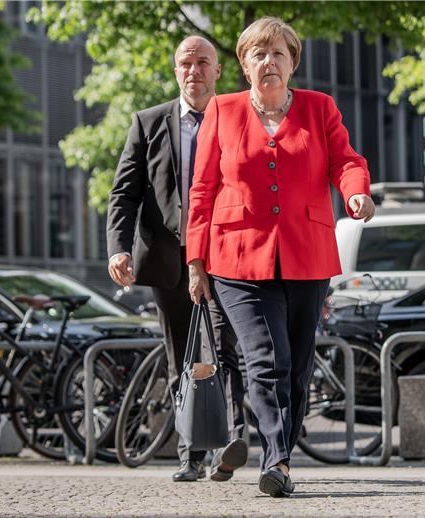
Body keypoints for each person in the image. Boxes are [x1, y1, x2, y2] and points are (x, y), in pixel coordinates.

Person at [186, 17, 374, 497]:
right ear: (244, 64)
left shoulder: (319, 108)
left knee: (298, 365)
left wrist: (356, 194)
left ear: (292, 62)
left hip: (306, 253)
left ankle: (280, 456)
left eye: (278, 54)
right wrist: (195, 261)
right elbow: (203, 188)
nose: (268, 62)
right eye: (258, 54)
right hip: (236, 257)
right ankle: (278, 460)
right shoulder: (222, 111)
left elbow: (346, 161)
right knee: (267, 359)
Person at [106, 36, 248, 483]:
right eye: (186, 64)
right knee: (181, 357)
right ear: (175, 71)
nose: (194, 71)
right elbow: (124, 193)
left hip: (226, 254)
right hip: (169, 258)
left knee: (227, 352)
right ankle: (189, 454)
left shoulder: (235, 119)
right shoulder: (148, 124)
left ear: (218, 71)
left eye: (203, 63)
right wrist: (119, 247)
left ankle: (229, 446)